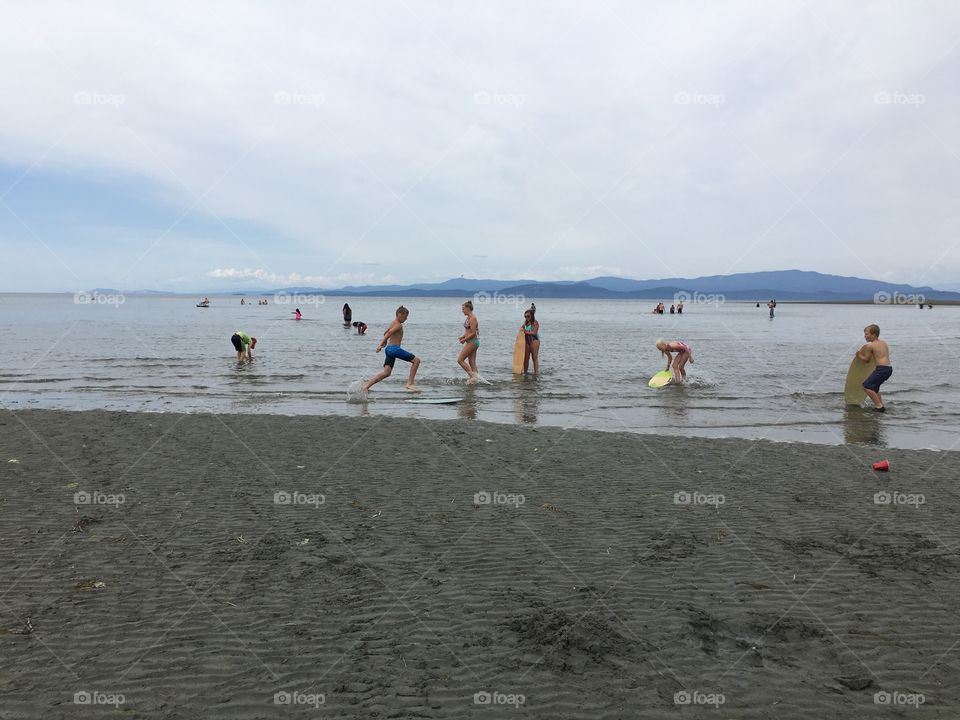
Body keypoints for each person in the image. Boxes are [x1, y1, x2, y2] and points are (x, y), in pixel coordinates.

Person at [361, 306, 420, 394]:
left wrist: (384, 343)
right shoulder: (398, 325)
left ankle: (366, 386)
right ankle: (410, 383)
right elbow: (389, 333)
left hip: (389, 349)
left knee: (386, 373)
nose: (406, 319)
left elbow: (386, 332)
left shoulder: (393, 323)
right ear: (400, 314)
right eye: (405, 316)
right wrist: (380, 345)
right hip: (394, 349)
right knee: (416, 361)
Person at [856, 324, 892, 412]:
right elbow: (881, 355)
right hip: (888, 369)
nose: (865, 336)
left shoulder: (870, 346)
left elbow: (866, 360)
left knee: (866, 386)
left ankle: (879, 406)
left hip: (881, 369)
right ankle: (881, 405)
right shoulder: (883, 343)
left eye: (866, 334)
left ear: (873, 335)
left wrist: (859, 355)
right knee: (875, 388)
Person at [457, 300, 480, 384]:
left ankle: (472, 377)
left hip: (473, 342)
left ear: (468, 308)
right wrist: (463, 336)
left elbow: (473, 333)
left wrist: (464, 340)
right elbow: (468, 331)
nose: (462, 311)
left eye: (463, 309)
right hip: (471, 341)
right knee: (472, 362)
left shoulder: (473, 318)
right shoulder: (468, 318)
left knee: (460, 360)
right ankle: (475, 380)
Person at [521, 308, 540, 374]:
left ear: (531, 316)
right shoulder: (525, 323)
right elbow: (521, 329)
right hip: (527, 341)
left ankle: (536, 373)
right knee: (526, 358)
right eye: (525, 316)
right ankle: (525, 372)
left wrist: (526, 332)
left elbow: (534, 332)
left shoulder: (535, 322)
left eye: (528, 316)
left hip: (534, 340)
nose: (527, 318)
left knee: (534, 357)